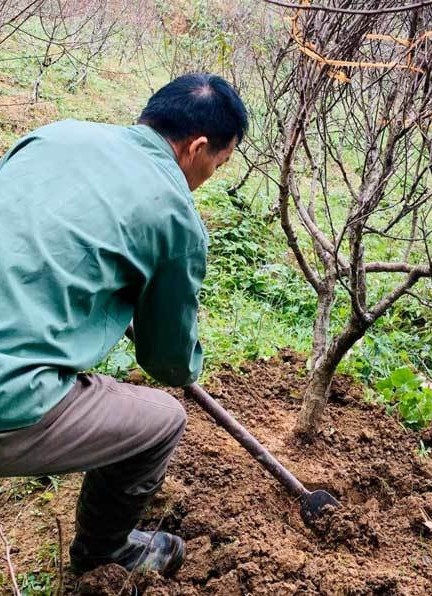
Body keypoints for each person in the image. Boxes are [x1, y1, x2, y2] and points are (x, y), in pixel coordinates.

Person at [0, 73, 248, 576]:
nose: (209, 177)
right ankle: (105, 555)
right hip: (9, 397)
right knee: (162, 420)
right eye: (218, 165)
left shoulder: (53, 135)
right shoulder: (176, 216)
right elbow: (167, 362)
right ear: (197, 148)